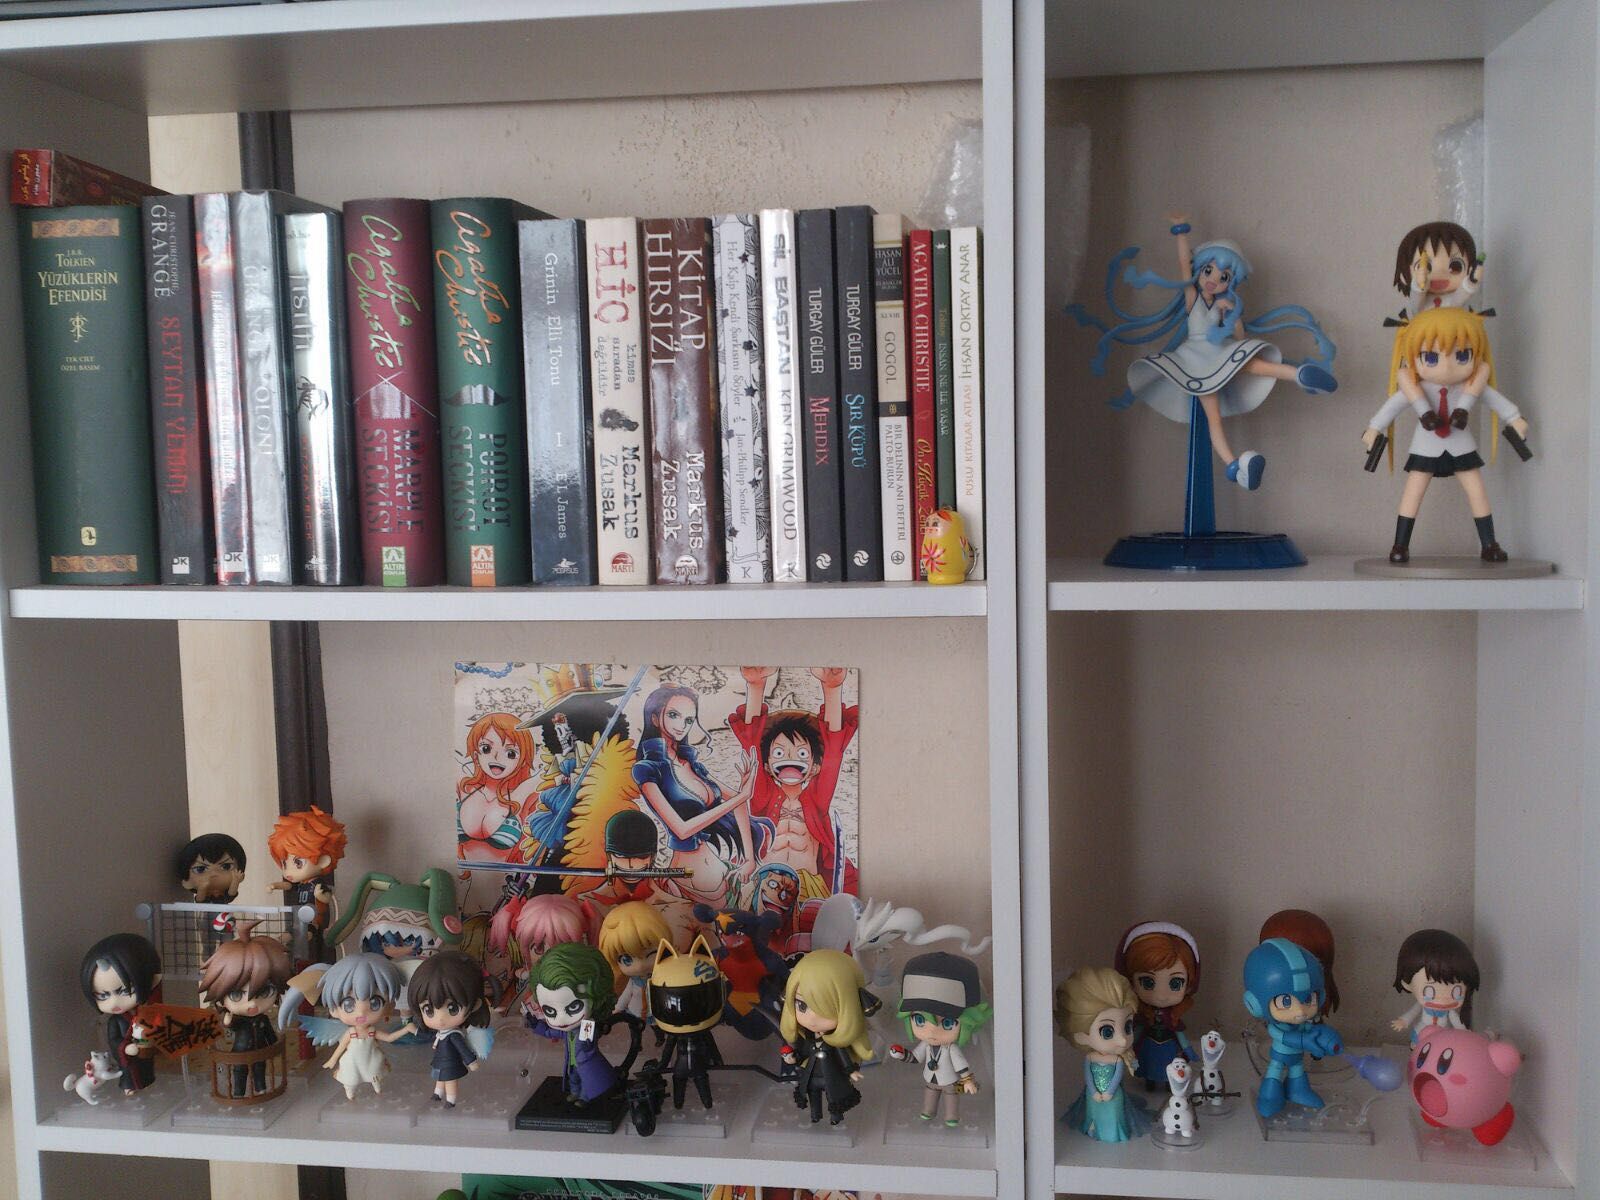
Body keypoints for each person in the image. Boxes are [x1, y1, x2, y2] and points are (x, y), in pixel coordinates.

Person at [1066, 218, 1338, 491]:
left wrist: (1233, 315)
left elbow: (1240, 339)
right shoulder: (1192, 298)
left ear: (1230, 283)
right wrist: (1181, 233)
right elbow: (1184, 265)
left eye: (1223, 277)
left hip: (1219, 353)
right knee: (1215, 416)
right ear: (1199, 271)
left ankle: (1300, 375)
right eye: (1209, 271)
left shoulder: (1223, 305)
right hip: (1194, 360)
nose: (1213, 280)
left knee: (1253, 365)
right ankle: (1236, 467)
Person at [631, 685, 760, 904]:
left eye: (689, 720)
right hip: (688, 881)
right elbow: (681, 830)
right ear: (654, 718)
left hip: (723, 873)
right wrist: (742, 795)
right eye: (674, 715)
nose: (682, 725)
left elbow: (738, 803)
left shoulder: (692, 764)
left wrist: (749, 859)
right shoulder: (647, 769)